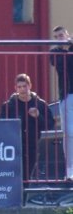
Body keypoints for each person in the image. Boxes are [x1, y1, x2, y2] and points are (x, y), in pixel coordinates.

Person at [0, 73, 55, 179]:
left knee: (27, 176)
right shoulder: (9, 105)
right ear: (15, 88)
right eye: (19, 87)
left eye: (25, 86)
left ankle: (25, 195)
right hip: (14, 146)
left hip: (33, 146)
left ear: (30, 86)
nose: (22, 89)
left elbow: (50, 125)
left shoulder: (40, 104)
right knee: (13, 176)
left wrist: (38, 116)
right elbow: (1, 125)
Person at [49, 25, 73, 180]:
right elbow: (62, 64)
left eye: (61, 35)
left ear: (67, 34)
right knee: (68, 133)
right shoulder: (54, 53)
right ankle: (70, 170)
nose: (59, 39)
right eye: (56, 37)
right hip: (66, 95)